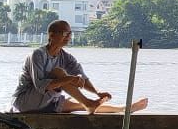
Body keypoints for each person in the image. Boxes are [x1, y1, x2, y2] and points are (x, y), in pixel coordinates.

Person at [11, 20, 148, 115]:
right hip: (25, 102)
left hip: (47, 102)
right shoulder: (38, 55)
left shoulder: (66, 57)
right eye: (65, 34)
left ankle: (122, 109)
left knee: (79, 103)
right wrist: (69, 79)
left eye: (70, 34)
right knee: (59, 72)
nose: (69, 37)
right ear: (52, 35)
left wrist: (97, 92)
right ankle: (88, 103)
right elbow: (41, 86)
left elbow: (81, 76)